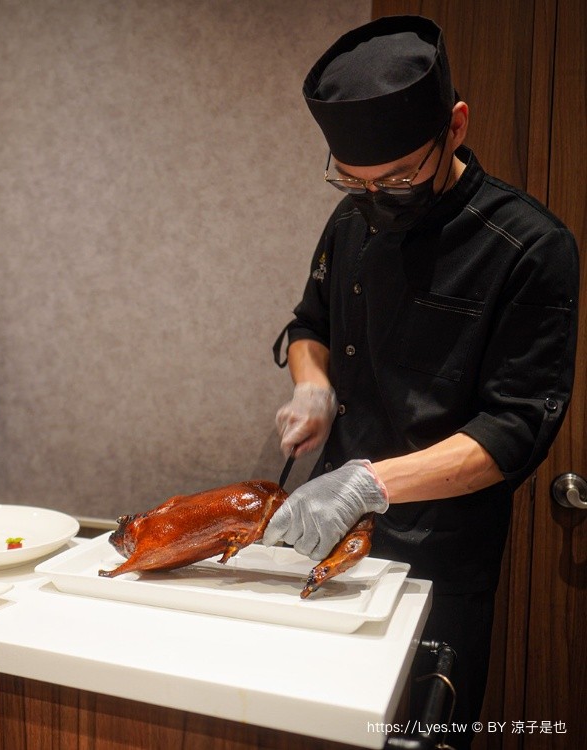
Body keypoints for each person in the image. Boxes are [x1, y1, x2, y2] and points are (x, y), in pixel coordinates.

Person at [265, 16, 578, 750]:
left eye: (402, 176)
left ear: (456, 125)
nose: (379, 197)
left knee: (414, 732)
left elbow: (512, 430)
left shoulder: (530, 246)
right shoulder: (353, 219)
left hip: (442, 549)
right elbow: (309, 323)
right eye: (356, 180)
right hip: (332, 532)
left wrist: (369, 482)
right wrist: (313, 387)